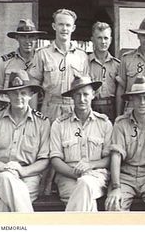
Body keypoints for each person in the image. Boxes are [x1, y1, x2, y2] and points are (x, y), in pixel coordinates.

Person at [0, 70, 50, 212]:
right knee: (7, 179)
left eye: (23, 93)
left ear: (31, 95)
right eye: (14, 93)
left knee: (6, 203)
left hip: (28, 177)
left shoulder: (42, 123)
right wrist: (5, 168)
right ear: (7, 95)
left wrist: (22, 171)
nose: (18, 97)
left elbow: (44, 160)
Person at [50, 76, 112, 211]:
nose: (82, 99)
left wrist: (90, 166)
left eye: (85, 94)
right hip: (68, 178)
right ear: (72, 96)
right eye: (77, 95)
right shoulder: (59, 125)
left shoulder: (104, 124)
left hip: (96, 176)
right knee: (87, 199)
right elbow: (55, 159)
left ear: (93, 95)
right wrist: (77, 174)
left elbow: (109, 159)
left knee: (86, 184)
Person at [105, 76, 145, 211]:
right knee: (114, 204)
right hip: (126, 175)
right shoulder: (121, 123)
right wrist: (116, 187)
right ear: (131, 100)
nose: (142, 102)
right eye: (138, 98)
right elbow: (116, 156)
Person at [29, 8, 89, 123]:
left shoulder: (82, 56)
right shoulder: (43, 54)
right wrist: (33, 116)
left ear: (73, 28)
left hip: (74, 108)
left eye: (68, 25)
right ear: (54, 26)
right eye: (61, 24)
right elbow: (33, 88)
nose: (64, 28)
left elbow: (85, 89)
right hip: (50, 107)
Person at [0, 19, 47, 106]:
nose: (27, 41)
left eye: (31, 37)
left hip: (36, 113)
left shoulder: (43, 61)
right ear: (17, 38)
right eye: (23, 37)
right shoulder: (5, 62)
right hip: (11, 111)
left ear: (36, 38)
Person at [89, 21, 120, 122]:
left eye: (106, 38)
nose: (103, 42)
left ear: (110, 40)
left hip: (111, 108)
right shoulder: (85, 63)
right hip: (91, 107)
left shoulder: (117, 65)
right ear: (92, 39)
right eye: (99, 38)